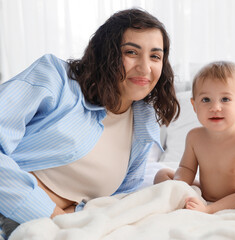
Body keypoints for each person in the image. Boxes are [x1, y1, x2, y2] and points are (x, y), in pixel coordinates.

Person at [0, 8, 179, 237]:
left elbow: (117, 200)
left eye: (155, 56)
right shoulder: (56, 78)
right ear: (107, 54)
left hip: (50, 228)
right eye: (132, 52)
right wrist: (54, 216)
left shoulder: (143, 128)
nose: (145, 68)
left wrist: (161, 184)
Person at [154, 61, 235, 213]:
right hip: (205, 192)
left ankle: (210, 209)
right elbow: (186, 168)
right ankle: (181, 199)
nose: (215, 107)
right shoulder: (194, 137)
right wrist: (179, 185)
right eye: (206, 100)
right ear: (194, 105)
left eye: (225, 99)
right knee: (162, 174)